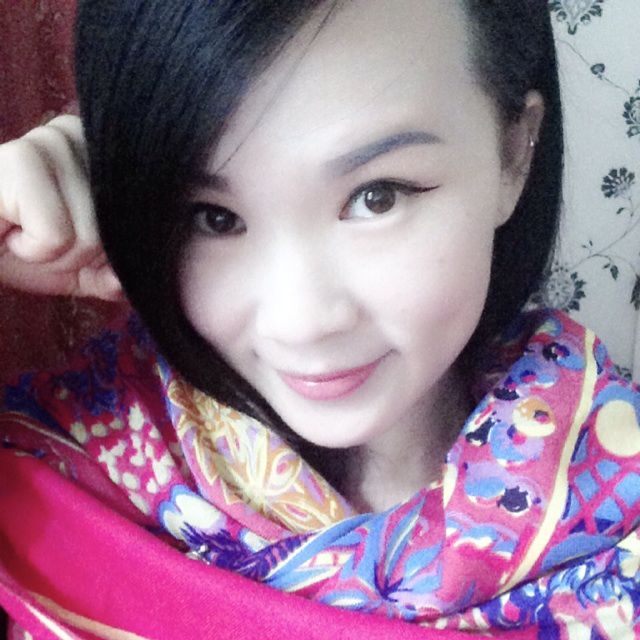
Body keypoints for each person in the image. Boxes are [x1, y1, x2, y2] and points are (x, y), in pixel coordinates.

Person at [0, 1, 638, 638]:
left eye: (376, 197)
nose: (301, 323)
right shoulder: (59, 475)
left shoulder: (619, 509)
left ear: (514, 153)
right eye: (214, 217)